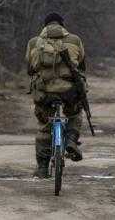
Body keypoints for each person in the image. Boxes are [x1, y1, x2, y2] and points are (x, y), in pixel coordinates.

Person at [26, 12, 86, 178]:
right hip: (69, 93)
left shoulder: (34, 42)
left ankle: (43, 168)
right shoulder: (75, 40)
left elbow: (30, 69)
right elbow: (81, 65)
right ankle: (71, 141)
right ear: (62, 25)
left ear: (44, 26)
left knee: (44, 126)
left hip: (45, 94)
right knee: (74, 113)